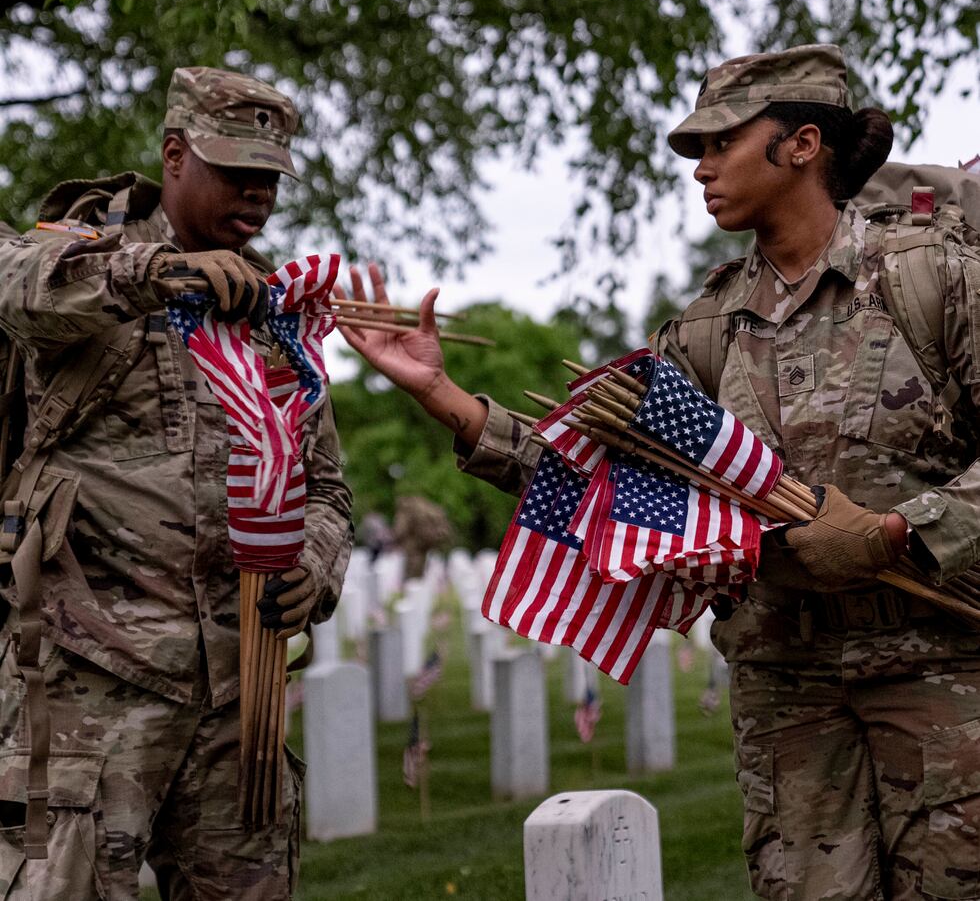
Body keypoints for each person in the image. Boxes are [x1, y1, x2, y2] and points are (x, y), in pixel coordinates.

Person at [336, 44, 980, 900]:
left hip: (936, 673)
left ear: (802, 145)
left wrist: (897, 530)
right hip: (787, 687)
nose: (701, 168)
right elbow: (605, 481)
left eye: (721, 142)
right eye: (696, 151)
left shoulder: (931, 279)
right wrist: (447, 396)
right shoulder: (708, 328)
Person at [0, 67, 353, 900]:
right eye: (236, 173)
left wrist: (313, 563)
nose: (258, 196)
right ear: (174, 154)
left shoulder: (273, 310)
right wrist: (147, 274)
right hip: (88, 690)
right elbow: (15, 280)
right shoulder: (88, 259)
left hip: (240, 698)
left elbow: (327, 488)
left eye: (270, 178)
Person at [392, 494, 453, 582]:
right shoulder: (426, 507)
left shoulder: (406, 511)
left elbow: (399, 531)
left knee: (413, 580)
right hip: (428, 546)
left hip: (413, 548)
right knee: (424, 576)